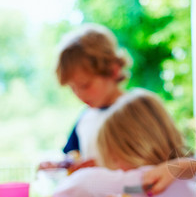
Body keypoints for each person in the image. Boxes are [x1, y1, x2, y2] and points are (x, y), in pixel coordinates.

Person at [53, 89, 196, 197]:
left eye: (115, 159)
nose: (116, 167)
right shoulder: (182, 177)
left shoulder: (143, 181)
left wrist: (58, 187)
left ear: (133, 149)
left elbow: (78, 185)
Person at [39, 23, 131, 171]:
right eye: (72, 88)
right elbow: (72, 155)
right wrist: (59, 166)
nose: (79, 95)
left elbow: (159, 165)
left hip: (132, 193)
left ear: (113, 71)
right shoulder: (86, 118)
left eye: (84, 85)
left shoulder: (138, 111)